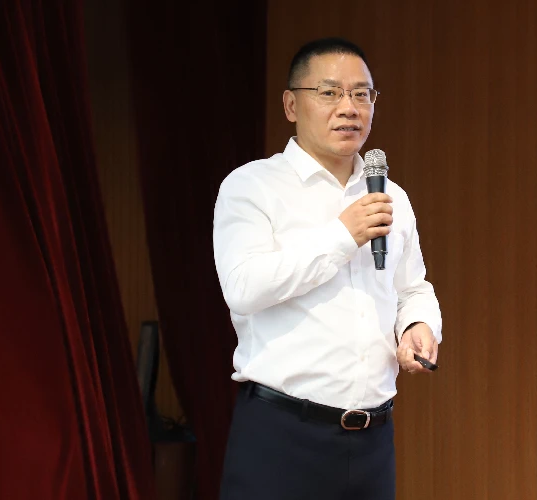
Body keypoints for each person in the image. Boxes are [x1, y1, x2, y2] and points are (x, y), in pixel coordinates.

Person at [213, 37, 442, 500]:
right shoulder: (252, 186)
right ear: (291, 105)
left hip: (372, 439)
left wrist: (418, 325)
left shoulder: (391, 196)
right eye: (330, 92)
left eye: (362, 94)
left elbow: (412, 287)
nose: (349, 108)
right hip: (281, 436)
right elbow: (243, 287)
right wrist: (342, 235)